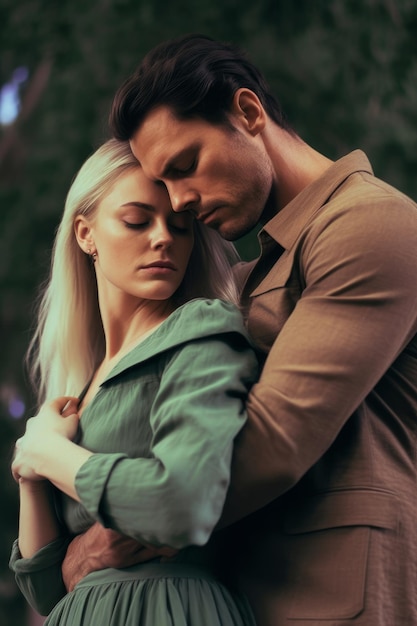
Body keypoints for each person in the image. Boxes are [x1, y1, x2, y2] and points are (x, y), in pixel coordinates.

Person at [59, 34, 417, 625]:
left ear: (248, 113)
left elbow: (274, 441)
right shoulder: (251, 276)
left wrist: (113, 534)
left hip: (342, 596)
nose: (181, 202)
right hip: (249, 596)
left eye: (184, 167)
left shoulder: (370, 225)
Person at [9, 137, 259, 626]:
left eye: (180, 226)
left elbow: (182, 503)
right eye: (137, 220)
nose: (163, 237)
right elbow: (43, 588)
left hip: (171, 610)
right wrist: (31, 474)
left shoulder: (201, 329)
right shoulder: (81, 386)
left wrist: (51, 455)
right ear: (86, 234)